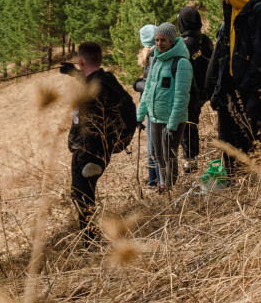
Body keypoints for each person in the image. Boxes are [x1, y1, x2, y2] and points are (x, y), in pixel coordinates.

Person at [207, 0, 261, 176]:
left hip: (253, 87)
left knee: (250, 133)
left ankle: (256, 176)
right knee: (229, 136)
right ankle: (234, 176)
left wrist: (246, 84)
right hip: (235, 86)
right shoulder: (234, 10)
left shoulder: (259, 11)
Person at [64, 41, 137, 233]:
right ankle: (91, 235)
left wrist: (78, 149)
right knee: (87, 194)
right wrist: (74, 73)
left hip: (88, 152)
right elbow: (93, 81)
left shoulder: (88, 96)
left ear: (81, 61)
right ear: (101, 58)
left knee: (81, 195)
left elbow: (85, 124)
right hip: (104, 150)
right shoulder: (108, 80)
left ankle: (90, 240)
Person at [135, 22, 191, 191]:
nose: (159, 43)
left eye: (163, 40)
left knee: (169, 157)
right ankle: (163, 186)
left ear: (172, 40)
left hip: (171, 120)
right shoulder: (156, 60)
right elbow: (148, 91)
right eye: (157, 40)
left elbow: (182, 97)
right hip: (155, 117)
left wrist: (173, 125)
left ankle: (169, 190)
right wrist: (139, 116)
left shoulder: (181, 63)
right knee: (157, 156)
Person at [175, 5, 214, 168]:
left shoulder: (181, 46)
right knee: (192, 124)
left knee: (187, 126)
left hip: (190, 92)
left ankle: (190, 161)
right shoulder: (205, 40)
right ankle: (192, 159)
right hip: (206, 90)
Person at [136, 23, 159, 187]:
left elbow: (150, 85)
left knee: (153, 145)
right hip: (152, 106)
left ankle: (154, 181)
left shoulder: (150, 55)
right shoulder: (153, 54)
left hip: (152, 106)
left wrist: (137, 84)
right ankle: (154, 181)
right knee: (154, 145)